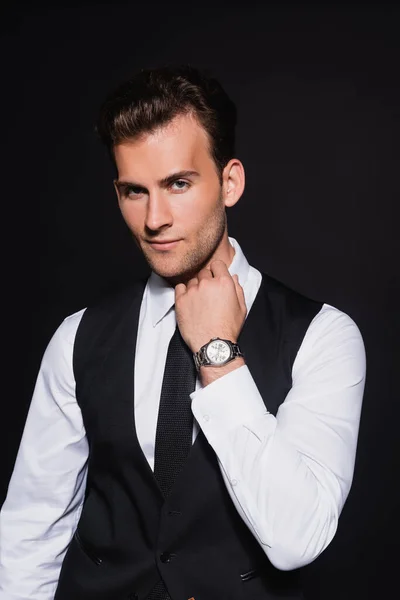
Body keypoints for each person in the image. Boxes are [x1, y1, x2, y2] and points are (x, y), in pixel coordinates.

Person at [0, 65, 366, 600]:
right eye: (133, 191)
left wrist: (219, 358)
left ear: (230, 182)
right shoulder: (77, 339)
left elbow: (297, 538)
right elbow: (31, 530)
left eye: (178, 183)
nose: (154, 218)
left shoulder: (324, 337)